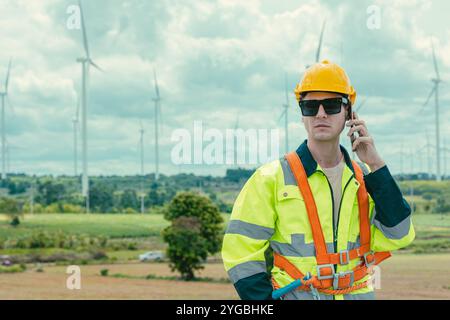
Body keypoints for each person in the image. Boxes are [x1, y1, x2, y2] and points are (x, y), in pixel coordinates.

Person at [221, 60, 415, 300]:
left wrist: (376, 165)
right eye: (310, 106)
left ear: (349, 112)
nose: (320, 113)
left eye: (332, 105)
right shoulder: (270, 178)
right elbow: (240, 253)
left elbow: (400, 235)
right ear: (302, 115)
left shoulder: (368, 179)